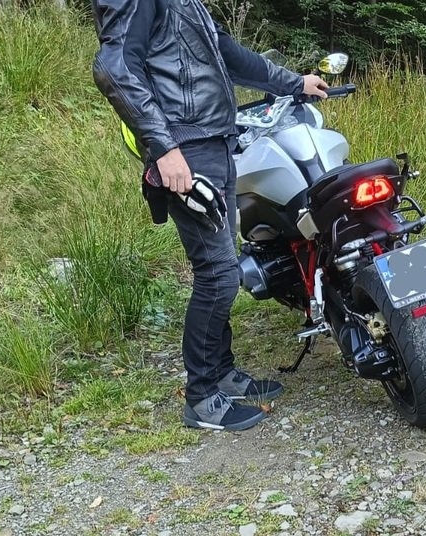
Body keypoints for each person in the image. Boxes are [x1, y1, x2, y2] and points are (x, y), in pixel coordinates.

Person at [90, 0, 330, 431]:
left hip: (215, 140)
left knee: (222, 267)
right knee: (217, 274)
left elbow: (227, 52)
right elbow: (114, 67)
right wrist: (164, 148)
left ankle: (221, 373)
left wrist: (294, 82)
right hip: (186, 148)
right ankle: (201, 398)